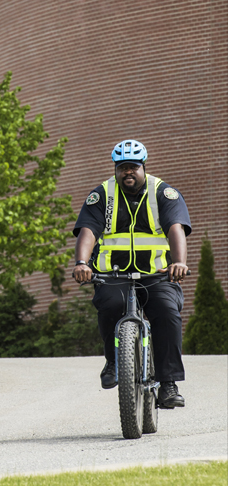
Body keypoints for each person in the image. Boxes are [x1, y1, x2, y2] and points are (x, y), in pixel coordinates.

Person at [72, 140, 191, 409]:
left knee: (167, 312)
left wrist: (179, 262)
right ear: (115, 169)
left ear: (143, 167)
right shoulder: (102, 194)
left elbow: (176, 228)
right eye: (122, 167)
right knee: (110, 305)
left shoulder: (163, 192)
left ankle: (169, 384)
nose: (128, 172)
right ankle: (114, 360)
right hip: (113, 275)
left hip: (157, 274)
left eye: (133, 167)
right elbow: (88, 231)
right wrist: (81, 262)